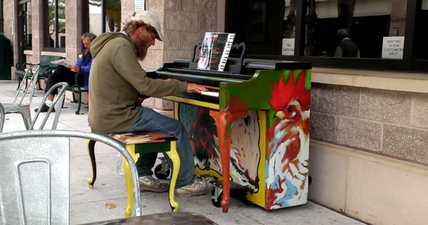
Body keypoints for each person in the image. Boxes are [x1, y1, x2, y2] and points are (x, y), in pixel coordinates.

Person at [87, 10, 213, 197]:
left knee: (154, 124)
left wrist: (162, 83)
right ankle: (185, 183)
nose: (153, 42)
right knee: (175, 128)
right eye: (153, 36)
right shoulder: (122, 46)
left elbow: (131, 82)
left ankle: (142, 176)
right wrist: (184, 85)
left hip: (103, 115)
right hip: (117, 117)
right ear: (142, 29)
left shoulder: (113, 43)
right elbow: (144, 84)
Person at [35, 32, 97, 112]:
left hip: (84, 77)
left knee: (60, 69)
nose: (85, 46)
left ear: (94, 42)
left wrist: (80, 69)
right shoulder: (86, 53)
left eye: (87, 44)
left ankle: (52, 71)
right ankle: (49, 104)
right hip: (78, 74)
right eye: (84, 44)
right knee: (52, 77)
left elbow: (94, 67)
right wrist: (73, 67)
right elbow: (78, 63)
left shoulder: (97, 53)